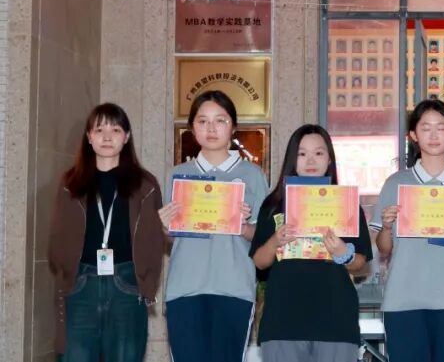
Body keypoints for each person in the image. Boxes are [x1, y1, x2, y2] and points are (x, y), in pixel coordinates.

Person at [370, 100, 444, 361]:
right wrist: (387, 227)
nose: (434, 135)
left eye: (441, 127)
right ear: (413, 135)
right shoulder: (396, 184)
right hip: (403, 301)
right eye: (425, 128)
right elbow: (384, 248)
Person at [47, 103, 165, 362]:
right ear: (89, 137)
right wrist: (67, 271)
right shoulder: (70, 183)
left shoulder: (145, 185)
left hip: (127, 284)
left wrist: (146, 282)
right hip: (81, 283)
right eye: (99, 130)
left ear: (127, 136)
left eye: (116, 129)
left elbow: (155, 240)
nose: (107, 137)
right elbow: (57, 236)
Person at [158, 90, 270, 362]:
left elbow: (264, 237)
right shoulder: (177, 175)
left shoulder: (253, 175)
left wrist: (243, 226)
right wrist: (164, 227)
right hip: (184, 287)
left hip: (234, 288)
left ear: (232, 126)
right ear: (192, 127)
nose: (211, 128)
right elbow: (173, 237)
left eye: (220, 120)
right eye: (202, 121)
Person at [250, 124, 373, 362]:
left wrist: (343, 253)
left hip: (336, 322)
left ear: (329, 159)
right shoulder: (274, 204)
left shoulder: (345, 204)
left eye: (318, 153)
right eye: (302, 153)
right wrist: (276, 240)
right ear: (292, 159)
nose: (311, 160)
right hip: (282, 323)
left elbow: (361, 263)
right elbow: (259, 262)